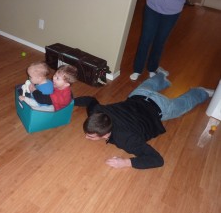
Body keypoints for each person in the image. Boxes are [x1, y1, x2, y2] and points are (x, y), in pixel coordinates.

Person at [75, 67, 214, 169]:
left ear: (105, 134)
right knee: (149, 85)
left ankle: (201, 92)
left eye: (91, 136)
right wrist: (70, 102)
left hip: (161, 108)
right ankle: (162, 76)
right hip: (140, 95)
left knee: (186, 103)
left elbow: (157, 160)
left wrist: (126, 162)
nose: (87, 137)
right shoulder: (97, 112)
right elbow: (89, 100)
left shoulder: (127, 139)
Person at [130, 0, 191, 81]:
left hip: (173, 11)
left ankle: (152, 68)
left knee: (160, 41)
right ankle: (137, 69)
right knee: (145, 39)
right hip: (153, 6)